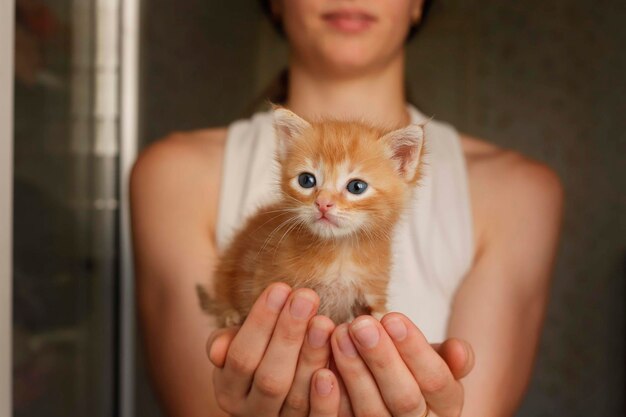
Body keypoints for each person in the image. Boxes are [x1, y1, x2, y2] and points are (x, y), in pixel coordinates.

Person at [130, 1, 564, 416]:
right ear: (275, 2)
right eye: (309, 181)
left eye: (355, 185)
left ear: (419, 3)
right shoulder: (171, 175)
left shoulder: (521, 192)